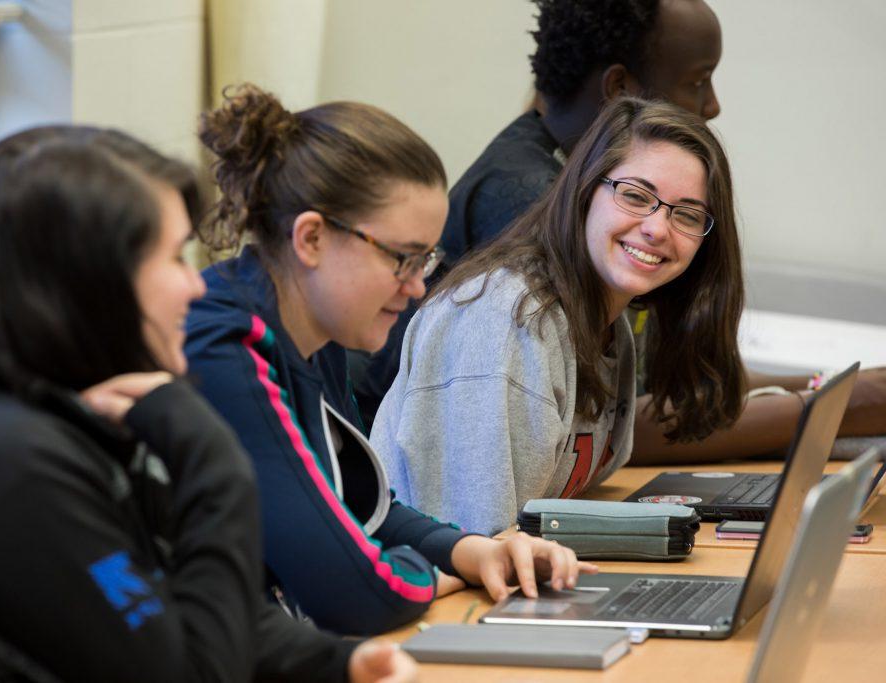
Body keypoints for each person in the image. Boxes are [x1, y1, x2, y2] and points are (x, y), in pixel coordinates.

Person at [0, 125, 416, 682]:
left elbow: (177, 610)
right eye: (174, 258)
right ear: (92, 279)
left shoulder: (67, 421)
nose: (194, 287)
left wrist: (337, 663)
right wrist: (216, 467)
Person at [358, 0, 886, 461]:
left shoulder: (589, 189)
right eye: (698, 80)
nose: (713, 105)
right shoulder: (535, 202)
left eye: (686, 214)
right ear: (620, 91)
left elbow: (670, 383)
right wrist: (834, 406)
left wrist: (826, 387)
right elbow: (627, 421)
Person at [186, 83, 595, 637]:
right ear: (311, 238)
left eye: (427, 259)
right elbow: (354, 593)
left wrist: (473, 552)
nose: (418, 287)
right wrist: (436, 575)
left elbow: (360, 506)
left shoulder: (315, 326)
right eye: (402, 259)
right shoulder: (225, 344)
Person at [371, 97, 745, 534]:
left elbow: (568, 496)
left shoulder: (611, 325)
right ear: (585, 189)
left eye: (687, 214)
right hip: (432, 594)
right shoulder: (501, 319)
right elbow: (474, 541)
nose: (657, 228)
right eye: (636, 195)